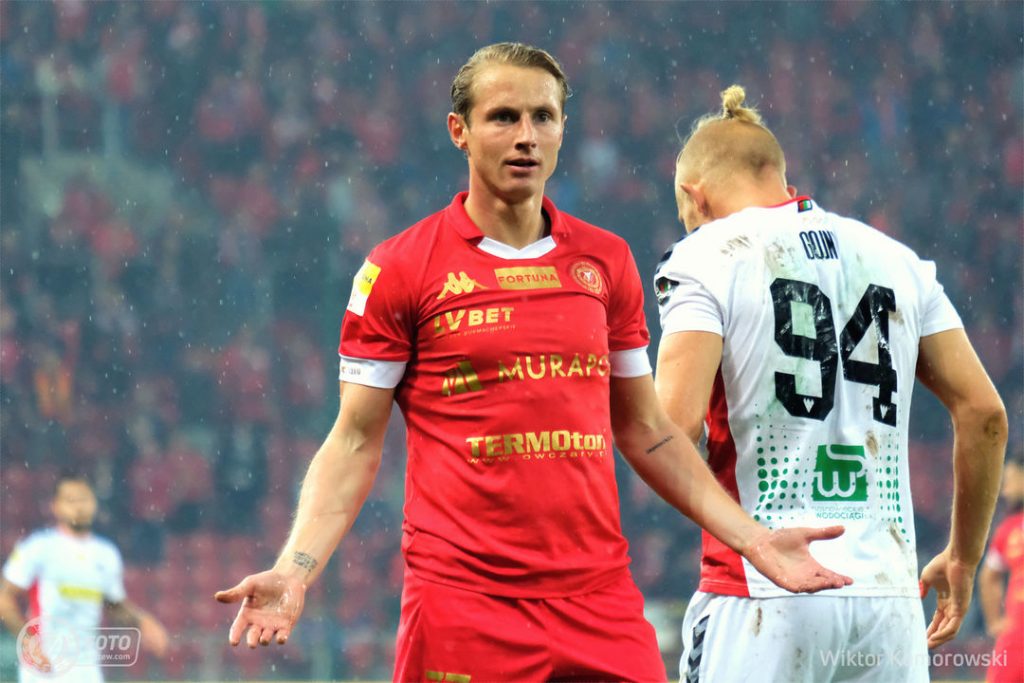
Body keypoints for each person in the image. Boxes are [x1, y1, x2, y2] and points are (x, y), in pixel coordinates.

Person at [215, 44, 852, 682]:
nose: (526, 136)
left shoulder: (606, 261)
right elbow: (354, 441)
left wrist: (753, 539)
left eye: (542, 117)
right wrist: (295, 569)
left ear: (562, 129)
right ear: (459, 131)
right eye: (503, 117)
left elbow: (648, 430)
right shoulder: (400, 268)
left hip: (599, 603)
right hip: (463, 608)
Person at [652, 85, 1009, 683]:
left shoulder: (703, 256)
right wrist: (964, 556)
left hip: (764, 590)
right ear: (781, 179)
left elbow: (670, 429)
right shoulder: (898, 260)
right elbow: (984, 414)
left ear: (696, 195)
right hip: (889, 602)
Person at [0, 474, 169, 683]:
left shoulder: (106, 554)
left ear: (94, 503)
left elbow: (113, 605)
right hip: (44, 668)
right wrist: (28, 642)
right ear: (55, 506)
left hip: (88, 669)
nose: (79, 506)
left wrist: (143, 621)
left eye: (84, 499)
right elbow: (4, 599)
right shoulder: (38, 548)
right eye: (71, 500)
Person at [979, 456, 1023, 683]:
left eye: (1010, 479)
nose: (1004, 489)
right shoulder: (1009, 528)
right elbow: (989, 576)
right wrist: (995, 622)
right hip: (1017, 639)